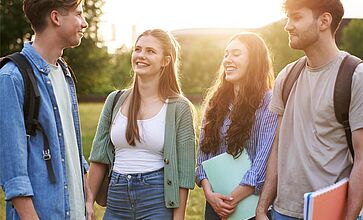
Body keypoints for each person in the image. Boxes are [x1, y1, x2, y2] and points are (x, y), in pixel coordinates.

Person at [255, 0, 363, 219]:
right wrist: (262, 208)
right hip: (282, 212)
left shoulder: (355, 76)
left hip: (332, 213)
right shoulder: (286, 77)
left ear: (324, 21)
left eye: (296, 17)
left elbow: (362, 158)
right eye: (288, 18)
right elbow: (278, 148)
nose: (287, 25)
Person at [86, 29, 196, 220]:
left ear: (165, 60)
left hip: (156, 199)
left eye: (150, 51)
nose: (141, 56)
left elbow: (184, 175)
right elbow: (98, 157)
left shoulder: (179, 107)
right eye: (138, 49)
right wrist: (88, 202)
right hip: (116, 199)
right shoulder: (115, 100)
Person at [0, 0, 90, 219]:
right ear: (56, 18)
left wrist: (87, 201)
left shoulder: (65, 74)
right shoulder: (11, 77)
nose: (84, 23)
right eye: (78, 14)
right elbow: (13, 172)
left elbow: (71, 147)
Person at [195, 32, 278, 220]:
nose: (228, 60)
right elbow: (203, 156)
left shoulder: (269, 103)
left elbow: (263, 162)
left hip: (250, 207)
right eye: (226, 54)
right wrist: (210, 195)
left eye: (236, 54)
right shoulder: (214, 103)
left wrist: (230, 199)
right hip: (215, 206)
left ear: (254, 60)